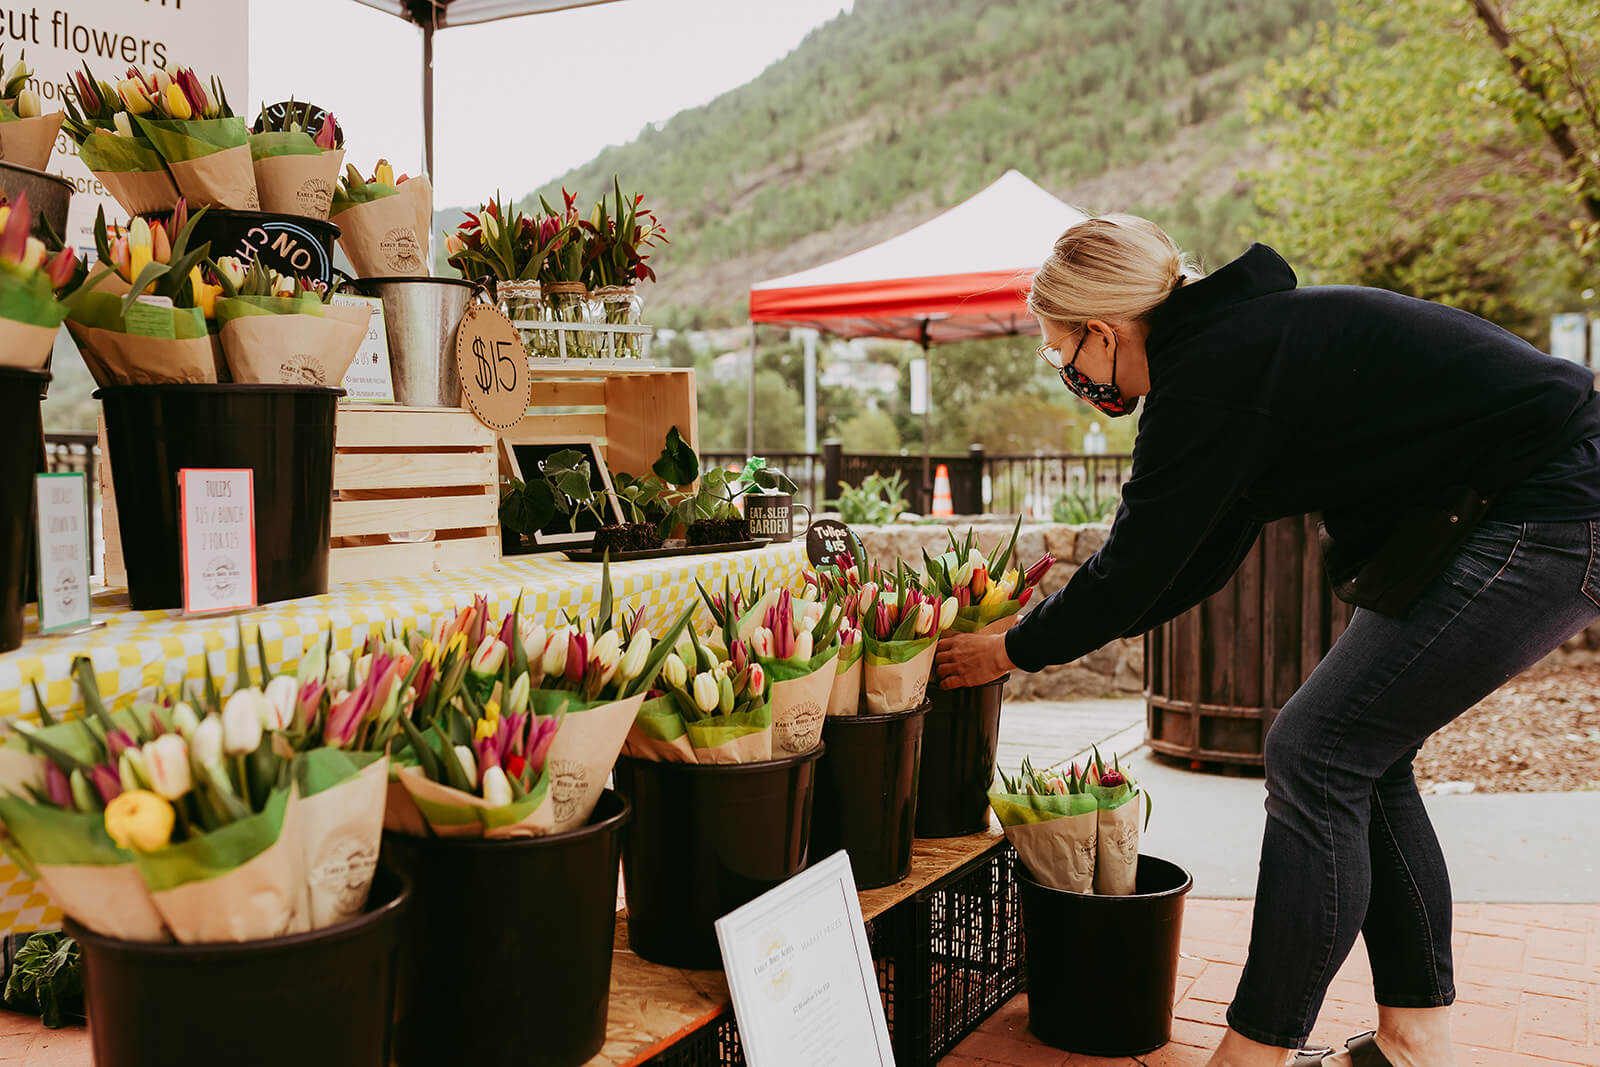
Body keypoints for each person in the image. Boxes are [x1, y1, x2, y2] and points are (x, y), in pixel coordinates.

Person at [934, 215, 1600, 1067]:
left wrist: (1012, 649)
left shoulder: (1211, 372)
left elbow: (1136, 565)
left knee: (1315, 750)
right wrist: (1036, 634)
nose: (1066, 371)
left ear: (1102, 332)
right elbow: (1194, 561)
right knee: (1364, 756)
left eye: (1059, 348)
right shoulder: (1232, 346)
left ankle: (1252, 1054)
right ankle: (1413, 1043)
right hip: (1533, 501)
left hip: (1549, 510)